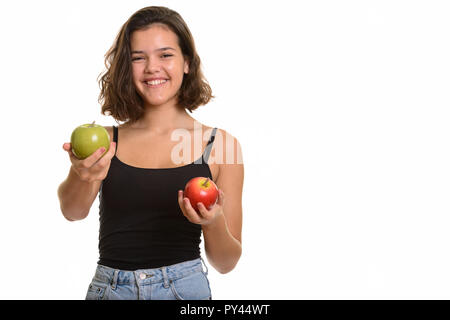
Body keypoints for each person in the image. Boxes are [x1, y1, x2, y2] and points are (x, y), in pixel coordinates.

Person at [57, 6, 244, 300]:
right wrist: (82, 175)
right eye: (137, 58)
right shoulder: (105, 140)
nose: (151, 67)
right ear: (125, 67)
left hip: (185, 291)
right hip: (111, 290)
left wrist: (212, 221)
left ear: (187, 63)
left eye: (165, 55)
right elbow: (72, 212)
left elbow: (227, 262)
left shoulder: (220, 145)